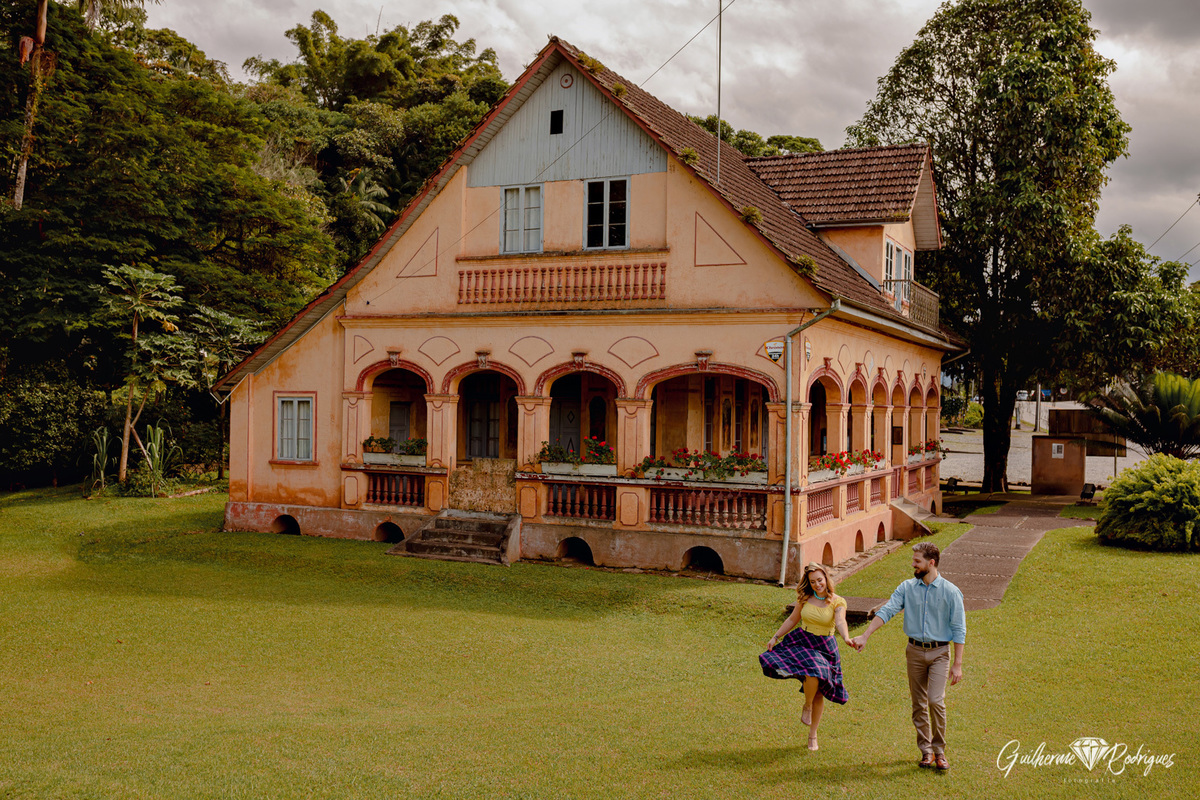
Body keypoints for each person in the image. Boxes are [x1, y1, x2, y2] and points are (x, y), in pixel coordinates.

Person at [848, 542, 966, 771]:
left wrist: (957, 664)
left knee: (935, 701)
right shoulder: (907, 588)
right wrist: (866, 635)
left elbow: (959, 629)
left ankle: (940, 751)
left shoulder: (951, 592)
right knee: (918, 704)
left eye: (917, 561)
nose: (912, 565)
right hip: (914, 652)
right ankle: (926, 751)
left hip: (940, 652)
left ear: (931, 563)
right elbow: (888, 610)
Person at [759, 562, 854, 751]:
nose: (817, 584)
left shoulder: (838, 601)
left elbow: (841, 621)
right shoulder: (805, 598)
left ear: (826, 578)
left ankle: (813, 735)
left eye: (820, 580)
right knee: (814, 671)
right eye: (813, 582)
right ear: (808, 583)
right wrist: (775, 636)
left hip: (825, 646)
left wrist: (846, 637)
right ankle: (807, 705)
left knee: (819, 689)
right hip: (803, 641)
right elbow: (793, 619)